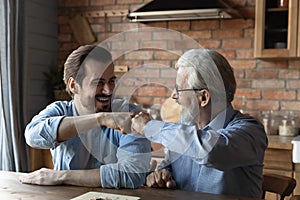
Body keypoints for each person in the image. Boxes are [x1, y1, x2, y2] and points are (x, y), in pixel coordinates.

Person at [131, 49, 268, 198]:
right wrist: (161, 176)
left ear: (203, 97)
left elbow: (209, 150)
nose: (173, 95)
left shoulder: (250, 132)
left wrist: (149, 127)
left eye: (179, 89)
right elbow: (168, 166)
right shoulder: (184, 130)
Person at [20, 44, 151, 188]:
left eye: (111, 81)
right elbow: (32, 136)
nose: (108, 91)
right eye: (98, 83)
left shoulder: (127, 113)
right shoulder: (60, 110)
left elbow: (132, 175)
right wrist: (100, 119)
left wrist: (63, 176)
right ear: (73, 85)